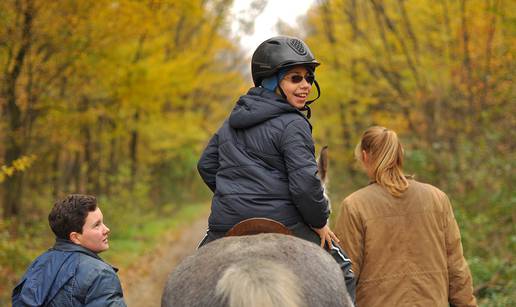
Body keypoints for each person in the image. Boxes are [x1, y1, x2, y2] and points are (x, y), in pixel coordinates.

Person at [197, 35, 355, 299]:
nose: (305, 85)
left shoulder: (232, 121)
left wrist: (236, 195)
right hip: (287, 222)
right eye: (295, 78)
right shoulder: (294, 124)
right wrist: (319, 222)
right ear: (271, 82)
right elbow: (305, 185)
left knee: (194, 276)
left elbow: (206, 165)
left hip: (226, 225)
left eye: (308, 77)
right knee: (344, 273)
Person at [334, 126, 477, 307]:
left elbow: (345, 274)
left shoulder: (354, 205)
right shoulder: (437, 198)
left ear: (365, 156)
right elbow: (457, 268)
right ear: (400, 154)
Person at [12, 194, 127, 307]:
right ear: (75, 237)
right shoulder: (100, 275)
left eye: (102, 222)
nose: (106, 229)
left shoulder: (38, 264)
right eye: (97, 225)